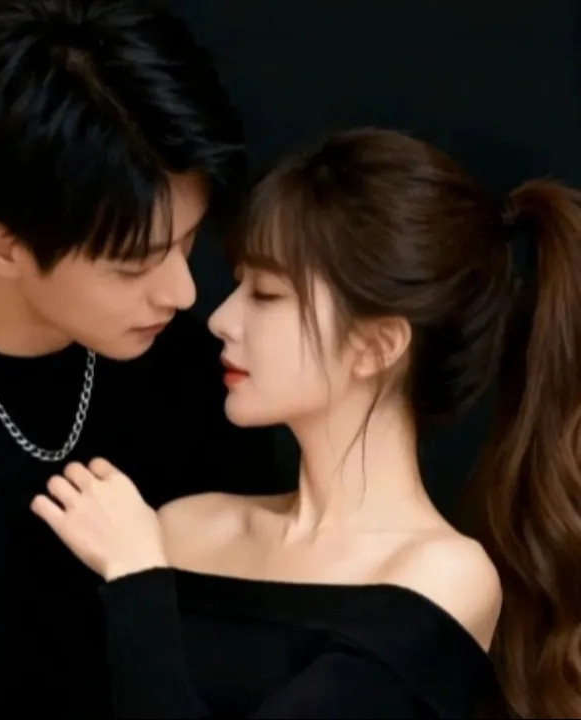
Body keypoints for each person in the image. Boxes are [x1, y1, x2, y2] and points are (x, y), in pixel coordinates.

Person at [34, 127, 581, 719]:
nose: (220, 318)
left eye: (267, 294)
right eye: (238, 283)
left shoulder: (443, 576)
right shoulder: (184, 526)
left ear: (376, 346)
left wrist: (137, 580)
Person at [0, 0, 287, 717]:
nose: (184, 294)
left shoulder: (195, 369)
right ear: (1, 248)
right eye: (134, 265)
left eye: (188, 243)